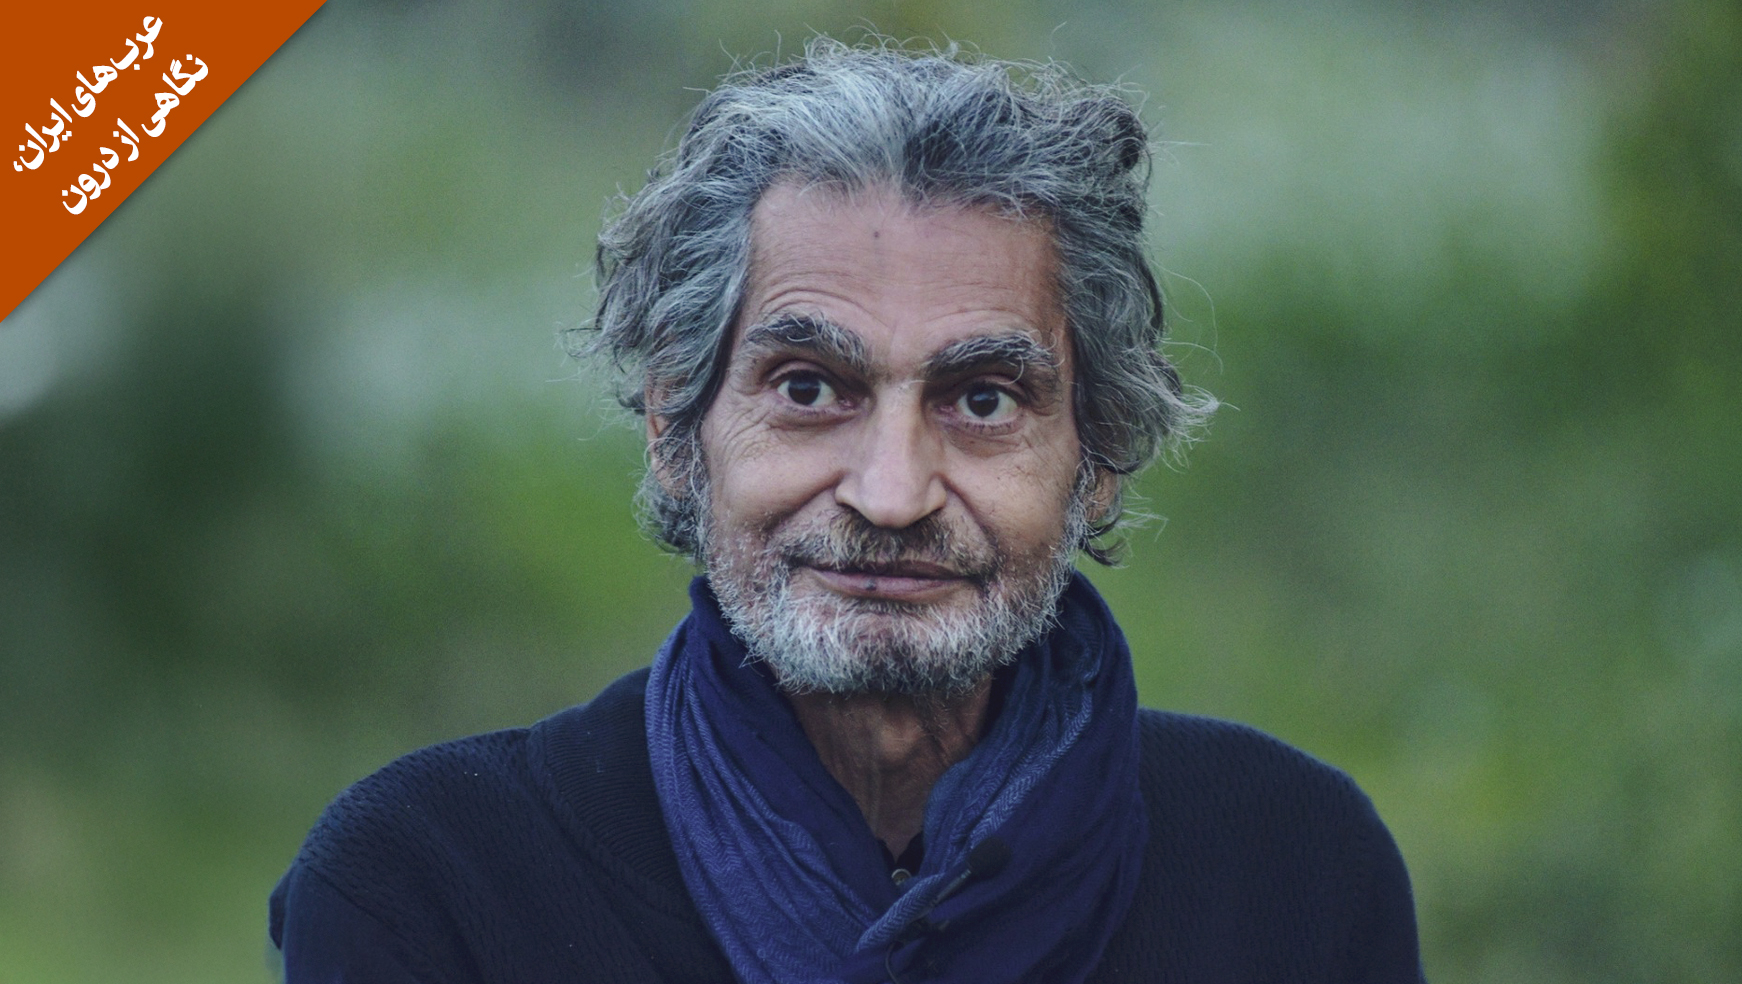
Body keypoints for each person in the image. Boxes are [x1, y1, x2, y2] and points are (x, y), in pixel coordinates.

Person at [269, 38, 1425, 984]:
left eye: (983, 399)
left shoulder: (1289, 869)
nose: (890, 492)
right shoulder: (430, 887)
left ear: (1101, 452)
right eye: (809, 389)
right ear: (675, 428)